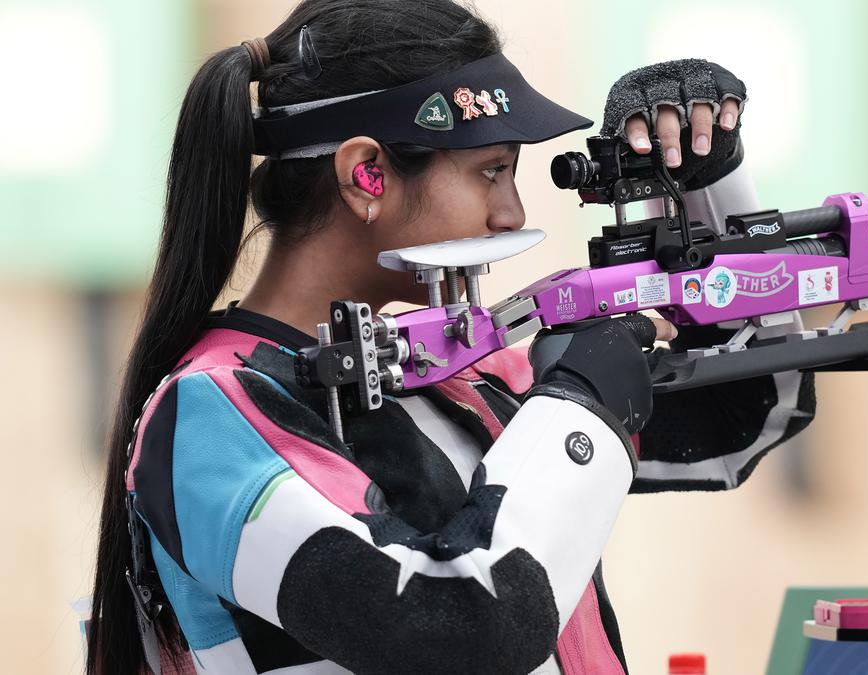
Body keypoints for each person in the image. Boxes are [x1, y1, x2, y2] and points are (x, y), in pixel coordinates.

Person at [87, 1, 816, 673]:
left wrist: (707, 181)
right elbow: (463, 627)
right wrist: (581, 401)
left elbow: (745, 416)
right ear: (367, 173)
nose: (512, 212)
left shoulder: (453, 364)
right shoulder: (209, 416)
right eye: (491, 171)